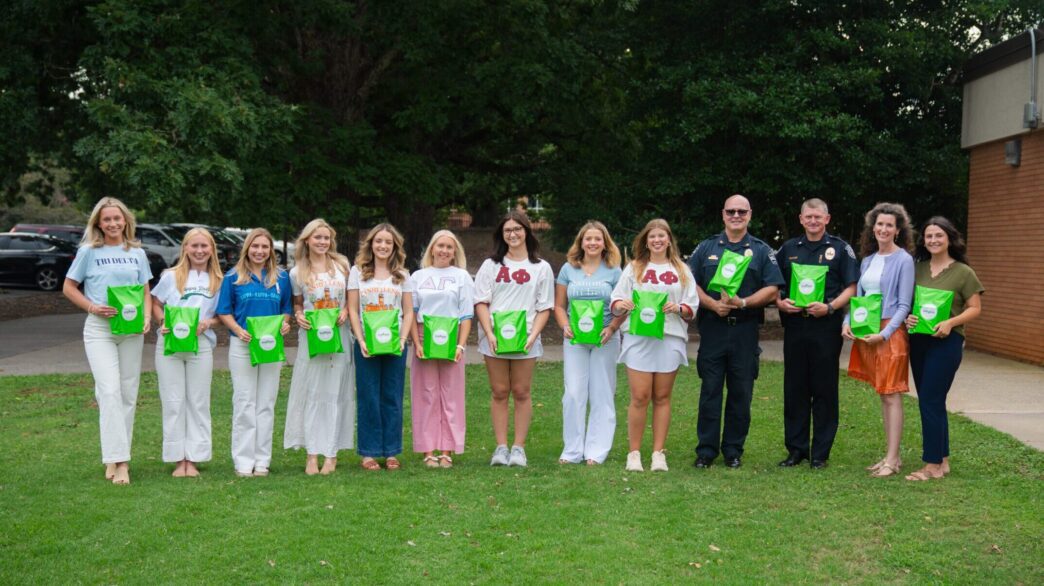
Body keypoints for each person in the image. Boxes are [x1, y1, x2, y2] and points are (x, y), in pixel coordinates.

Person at [689, 194, 784, 469]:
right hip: (713, 329)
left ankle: (733, 450)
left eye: (741, 211)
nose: (736, 216)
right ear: (723, 214)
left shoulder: (762, 250)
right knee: (710, 391)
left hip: (744, 330)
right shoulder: (706, 248)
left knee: (741, 393)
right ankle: (706, 451)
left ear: (750, 215)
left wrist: (741, 302)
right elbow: (689, 282)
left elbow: (773, 287)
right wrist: (711, 304)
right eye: (731, 211)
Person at [63, 197, 153, 485]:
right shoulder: (89, 252)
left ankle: (115, 456)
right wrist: (91, 306)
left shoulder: (137, 253)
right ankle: (121, 462)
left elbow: (145, 291)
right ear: (98, 224)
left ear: (125, 220)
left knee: (127, 393)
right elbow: (68, 287)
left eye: (117, 218)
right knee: (110, 391)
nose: (113, 223)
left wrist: (147, 317)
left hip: (131, 331)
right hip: (100, 329)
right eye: (107, 219)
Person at [775, 199, 859, 469]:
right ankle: (796, 450)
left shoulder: (840, 249)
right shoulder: (788, 248)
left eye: (818, 217)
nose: (813, 221)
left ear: (827, 219)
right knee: (795, 389)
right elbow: (773, 283)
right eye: (808, 217)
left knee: (824, 389)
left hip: (826, 327)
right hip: (796, 327)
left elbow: (852, 287)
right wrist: (779, 302)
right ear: (800, 219)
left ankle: (820, 453)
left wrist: (831, 306)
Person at [611, 219, 697, 472]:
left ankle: (658, 453)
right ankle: (634, 453)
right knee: (639, 396)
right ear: (646, 240)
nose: (657, 240)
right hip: (639, 338)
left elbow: (691, 305)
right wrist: (621, 305)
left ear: (669, 239)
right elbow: (616, 299)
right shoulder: (635, 267)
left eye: (662, 236)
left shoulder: (681, 269)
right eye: (652, 236)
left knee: (662, 397)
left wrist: (679, 308)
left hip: (669, 337)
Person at [903, 217, 983, 481]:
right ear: (923, 240)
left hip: (946, 342)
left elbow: (975, 308)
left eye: (939, 235)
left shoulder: (963, 272)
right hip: (919, 341)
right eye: (929, 236)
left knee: (930, 400)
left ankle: (932, 465)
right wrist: (909, 319)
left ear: (949, 238)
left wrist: (951, 322)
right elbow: (910, 304)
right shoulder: (918, 269)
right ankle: (943, 460)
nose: (933, 240)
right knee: (932, 401)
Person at [474, 210, 554, 468]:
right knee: (499, 391)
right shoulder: (491, 265)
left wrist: (533, 336)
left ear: (527, 232)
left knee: (521, 391)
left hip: (526, 338)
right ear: (502, 234)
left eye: (517, 229)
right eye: (508, 230)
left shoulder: (541, 268)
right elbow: (481, 301)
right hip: (495, 338)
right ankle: (501, 447)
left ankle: (518, 448)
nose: (513, 234)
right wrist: (489, 333)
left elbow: (545, 306)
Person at [842, 202, 915, 478]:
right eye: (880, 224)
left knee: (892, 394)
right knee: (883, 395)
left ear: (898, 231)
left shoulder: (904, 260)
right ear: (873, 228)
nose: (883, 229)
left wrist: (884, 334)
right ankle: (889, 456)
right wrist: (847, 322)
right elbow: (859, 298)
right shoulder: (868, 260)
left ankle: (893, 459)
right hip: (867, 331)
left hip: (888, 334)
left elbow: (903, 305)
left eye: (889, 225)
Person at [216, 228, 292, 478]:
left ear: (271, 250)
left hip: (271, 346)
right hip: (243, 346)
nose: (260, 251)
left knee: (266, 404)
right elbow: (224, 311)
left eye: (265, 247)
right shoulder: (233, 278)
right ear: (247, 248)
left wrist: (285, 322)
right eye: (255, 246)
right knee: (244, 402)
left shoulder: (281, 278)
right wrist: (238, 330)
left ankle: (262, 461)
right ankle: (243, 461)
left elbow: (286, 309)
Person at [283, 219, 355, 476]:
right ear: (307, 240)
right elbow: (298, 303)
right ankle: (312, 454)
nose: (322, 242)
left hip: (339, 336)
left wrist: (346, 310)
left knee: (335, 393)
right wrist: (299, 314)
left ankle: (331, 454)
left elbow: (352, 299)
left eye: (326, 238)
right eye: (317, 238)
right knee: (312, 393)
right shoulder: (297, 272)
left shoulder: (342, 265)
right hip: (312, 337)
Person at [151, 228, 223, 478]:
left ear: (212, 249)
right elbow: (156, 303)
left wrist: (208, 324)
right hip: (170, 345)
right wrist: (162, 323)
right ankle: (177, 458)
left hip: (200, 346)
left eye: (205, 246)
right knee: (173, 401)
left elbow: (220, 317)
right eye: (195, 246)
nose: (200, 251)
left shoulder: (218, 280)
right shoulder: (171, 276)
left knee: (198, 401)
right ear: (185, 248)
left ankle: (194, 458)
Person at [554, 221, 625, 466]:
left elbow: (623, 306)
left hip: (605, 338)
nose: (593, 243)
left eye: (597, 239)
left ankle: (596, 451)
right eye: (588, 239)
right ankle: (572, 450)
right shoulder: (568, 269)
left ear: (605, 243)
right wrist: (565, 325)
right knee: (573, 393)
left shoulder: (615, 271)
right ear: (581, 242)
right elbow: (559, 306)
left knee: (602, 393)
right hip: (575, 339)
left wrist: (612, 327)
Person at [347, 223, 414, 471]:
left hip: (395, 344)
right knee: (368, 397)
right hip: (366, 345)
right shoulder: (357, 272)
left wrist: (401, 339)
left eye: (388, 242)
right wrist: (361, 339)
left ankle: (392, 451)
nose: (383, 246)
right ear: (371, 244)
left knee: (392, 397)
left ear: (394, 246)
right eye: (378, 241)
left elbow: (407, 313)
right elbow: (353, 309)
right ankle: (369, 452)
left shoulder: (403, 275)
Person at [409, 230, 474, 468]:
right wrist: (416, 343)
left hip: (451, 337)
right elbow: (412, 313)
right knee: (425, 393)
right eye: (440, 246)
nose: (444, 251)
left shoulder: (462, 277)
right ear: (432, 249)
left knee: (451, 394)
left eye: (449, 247)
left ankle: (447, 449)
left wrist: (461, 344)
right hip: (424, 337)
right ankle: (428, 450)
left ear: (455, 251)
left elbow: (466, 314)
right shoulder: (417, 277)